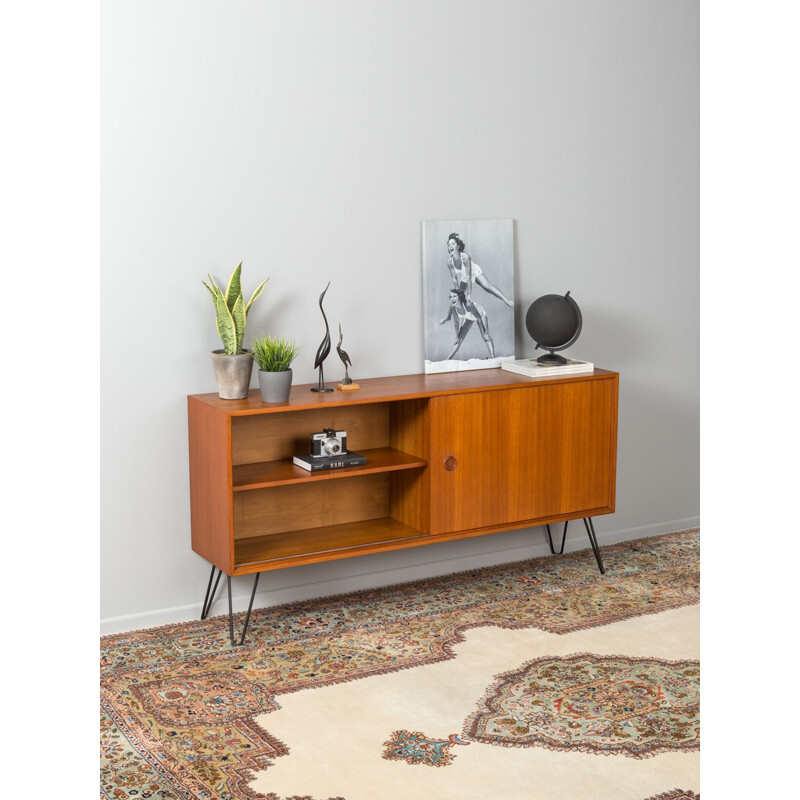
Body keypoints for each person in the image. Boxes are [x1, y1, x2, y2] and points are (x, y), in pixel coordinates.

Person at [443, 233, 513, 359]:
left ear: (458, 246)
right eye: (448, 245)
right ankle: (451, 315)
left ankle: (507, 301)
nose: (450, 246)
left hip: (472, 272)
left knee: (487, 287)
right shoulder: (450, 262)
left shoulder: (465, 257)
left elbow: (470, 276)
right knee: (457, 299)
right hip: (465, 277)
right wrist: (459, 295)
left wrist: (468, 294)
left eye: (453, 244)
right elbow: (455, 281)